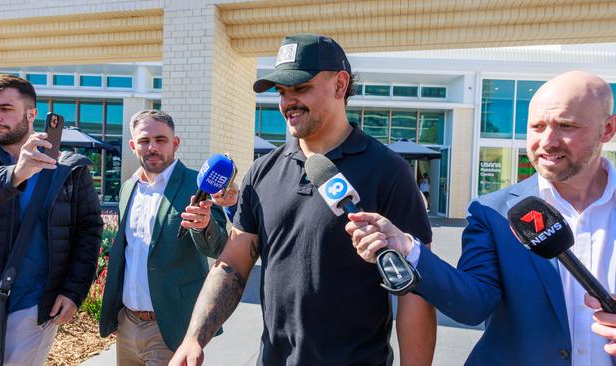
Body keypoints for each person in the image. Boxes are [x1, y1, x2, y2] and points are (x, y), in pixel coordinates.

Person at [169, 33, 434, 366]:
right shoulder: (261, 172)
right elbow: (232, 265)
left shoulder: (388, 171)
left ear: (340, 85)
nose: (287, 102)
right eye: (282, 92)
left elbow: (415, 290)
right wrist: (194, 338)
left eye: (301, 88)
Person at [347, 70, 616, 365]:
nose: (547, 141)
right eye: (537, 126)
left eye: (566, 125)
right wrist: (407, 248)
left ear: (607, 129)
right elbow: (472, 306)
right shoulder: (493, 212)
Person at [0, 73, 103, 365]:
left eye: (5, 108)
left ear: (32, 114)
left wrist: (74, 291)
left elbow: (88, 231)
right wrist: (17, 173)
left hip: (33, 308)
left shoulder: (70, 169)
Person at [99, 110, 236, 365]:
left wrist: (203, 225)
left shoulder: (197, 187)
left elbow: (219, 248)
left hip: (171, 328)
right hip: (127, 325)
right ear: (132, 145)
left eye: (161, 140)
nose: (152, 147)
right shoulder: (129, 187)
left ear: (175, 143)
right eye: (143, 141)